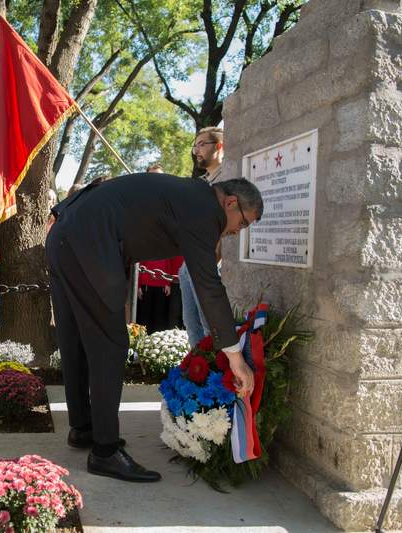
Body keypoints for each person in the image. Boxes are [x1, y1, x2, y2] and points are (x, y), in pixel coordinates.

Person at [46, 173, 262, 482]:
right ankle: (104, 451)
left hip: (64, 236)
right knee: (111, 345)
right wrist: (235, 357)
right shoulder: (204, 210)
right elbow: (209, 287)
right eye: (243, 223)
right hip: (89, 243)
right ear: (230, 202)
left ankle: (83, 428)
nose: (237, 232)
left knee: (76, 338)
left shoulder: (190, 195)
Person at [180, 127, 224, 347]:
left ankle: (216, 374)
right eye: (194, 145)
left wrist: (212, 258)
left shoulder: (227, 179)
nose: (196, 150)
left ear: (219, 146)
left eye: (201, 144)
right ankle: (197, 372)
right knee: (192, 326)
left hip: (209, 261)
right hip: (190, 261)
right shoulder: (202, 183)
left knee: (210, 326)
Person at [137, 256, 184, 333]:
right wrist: (138, 286)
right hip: (145, 284)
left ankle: (157, 339)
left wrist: (167, 284)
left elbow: (168, 263)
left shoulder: (165, 247)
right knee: (145, 315)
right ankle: (143, 337)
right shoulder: (144, 247)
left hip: (162, 284)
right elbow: (138, 266)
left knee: (160, 315)